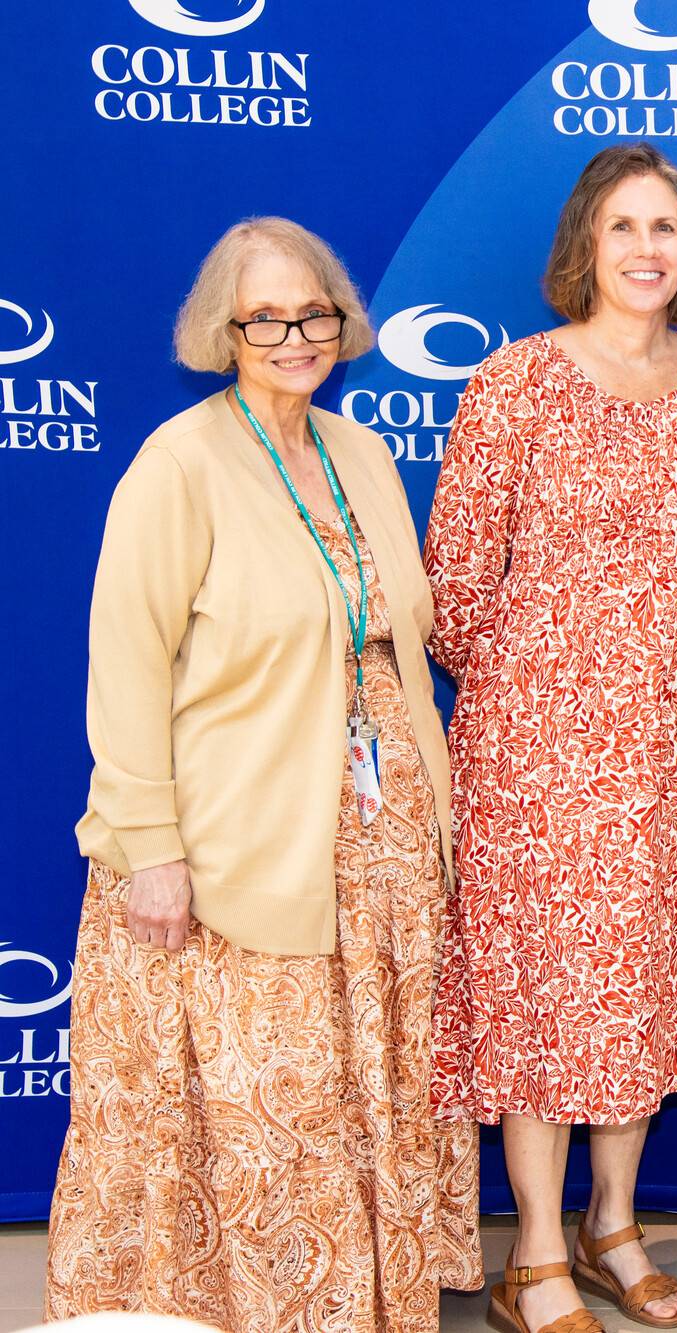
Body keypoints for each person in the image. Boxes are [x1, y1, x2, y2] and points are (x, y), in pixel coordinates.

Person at [48, 218, 480, 1330]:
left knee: (365, 1093)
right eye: (267, 319)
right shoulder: (179, 463)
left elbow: (394, 632)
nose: (296, 336)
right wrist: (151, 850)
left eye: (315, 313)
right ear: (223, 331)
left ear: (343, 318)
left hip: (380, 849)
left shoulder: (362, 453)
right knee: (267, 1112)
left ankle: (370, 1304)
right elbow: (127, 667)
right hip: (242, 847)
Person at [425, 143, 677, 1333]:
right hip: (539, 752)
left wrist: (651, 689)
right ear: (585, 243)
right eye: (622, 226)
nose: (645, 250)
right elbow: (454, 587)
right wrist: (551, 693)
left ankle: (612, 1223)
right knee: (543, 992)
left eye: (665, 227)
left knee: (648, 986)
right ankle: (533, 1255)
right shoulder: (513, 382)